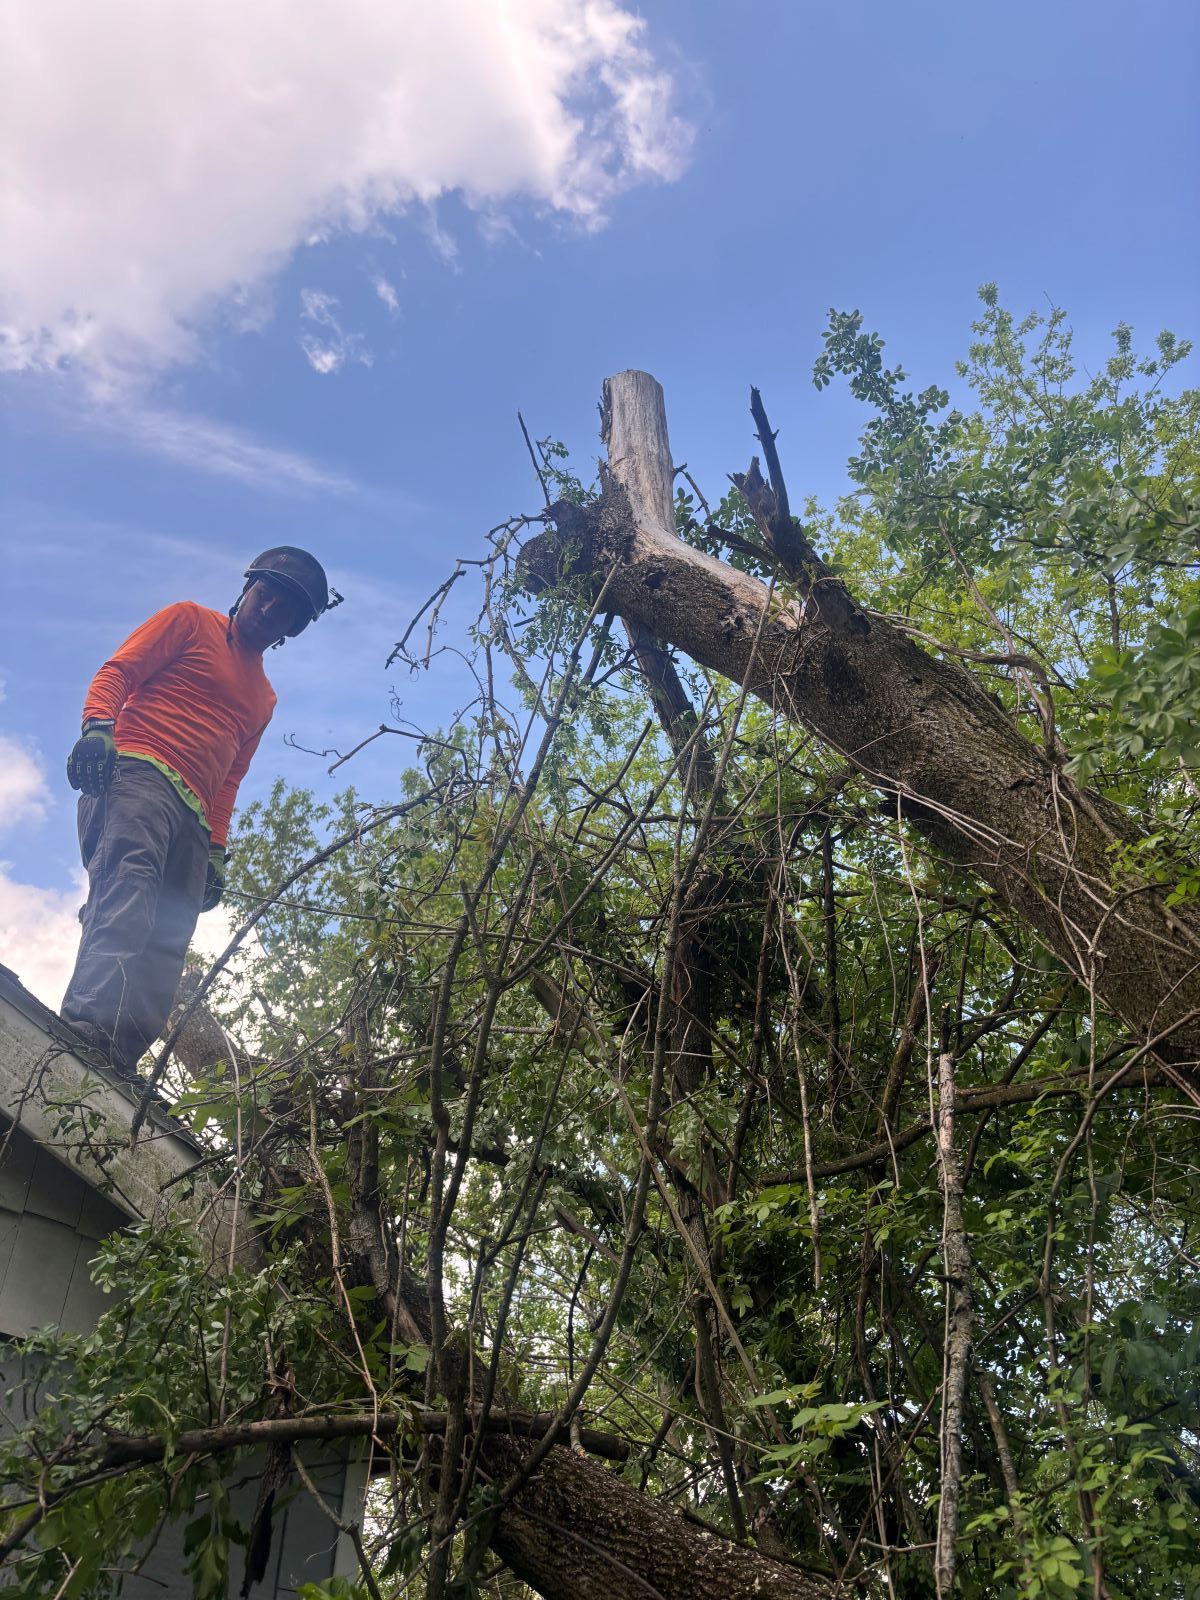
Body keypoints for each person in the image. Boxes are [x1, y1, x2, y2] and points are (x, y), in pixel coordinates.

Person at [60, 547, 336, 1076]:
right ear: (248, 588)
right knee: (130, 891)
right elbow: (119, 670)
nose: (270, 607)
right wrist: (97, 726)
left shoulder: (264, 698)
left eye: (285, 609)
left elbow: (231, 776)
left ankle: (117, 1059)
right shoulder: (190, 621)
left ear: (293, 628)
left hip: (194, 816)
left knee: (168, 939)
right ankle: (83, 1029)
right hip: (138, 774)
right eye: (266, 593)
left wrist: (216, 849)